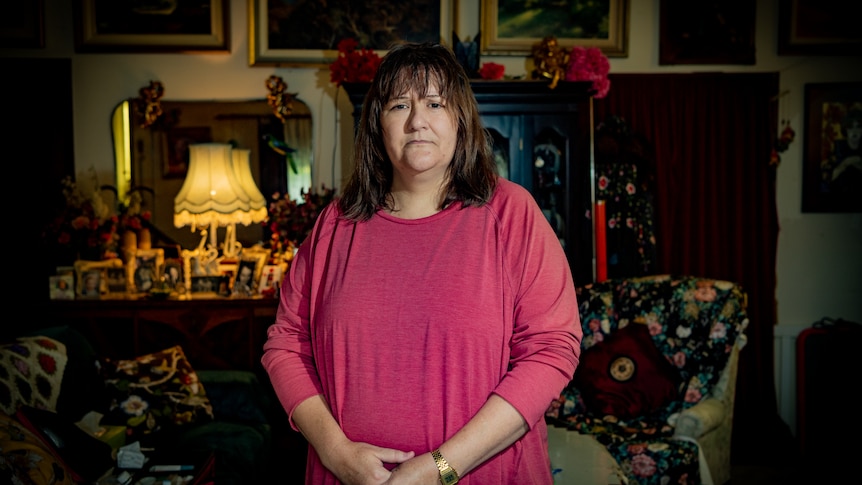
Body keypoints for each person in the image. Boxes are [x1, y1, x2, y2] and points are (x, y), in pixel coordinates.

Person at [262, 42, 581, 485]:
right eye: (399, 105)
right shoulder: (335, 224)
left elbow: (550, 350)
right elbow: (285, 345)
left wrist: (443, 467)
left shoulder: (510, 213)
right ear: (378, 125)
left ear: (460, 120)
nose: (417, 121)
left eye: (434, 103)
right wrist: (335, 452)